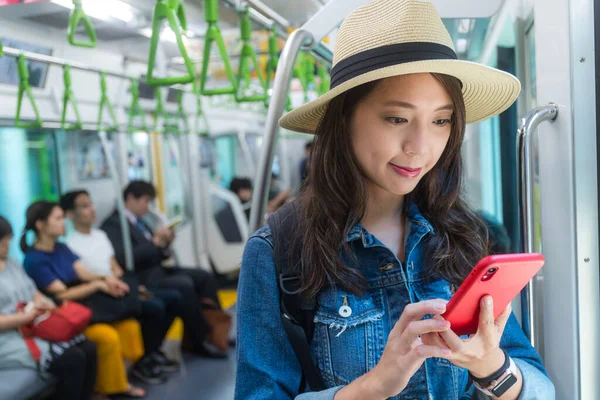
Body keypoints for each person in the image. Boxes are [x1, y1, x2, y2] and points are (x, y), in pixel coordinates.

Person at [235, 1, 555, 399]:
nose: (420, 147)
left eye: (441, 120)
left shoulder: (464, 235)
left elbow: (539, 386)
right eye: (397, 119)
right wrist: (372, 387)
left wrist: (491, 368)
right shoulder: (279, 252)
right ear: (344, 119)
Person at [20, 201, 150, 397]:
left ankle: (116, 381)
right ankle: (109, 389)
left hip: (87, 306)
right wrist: (97, 285)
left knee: (130, 328)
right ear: (41, 225)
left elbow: (83, 273)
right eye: (58, 218)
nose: (63, 222)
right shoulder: (34, 260)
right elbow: (61, 294)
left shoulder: (61, 248)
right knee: (107, 337)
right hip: (66, 313)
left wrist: (106, 279)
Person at [101, 180, 230, 358]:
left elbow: (155, 252)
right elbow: (124, 259)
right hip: (142, 277)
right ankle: (202, 338)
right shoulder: (113, 225)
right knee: (184, 285)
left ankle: (216, 329)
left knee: (204, 277)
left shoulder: (140, 222)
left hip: (157, 269)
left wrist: (164, 243)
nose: (147, 207)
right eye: (145, 201)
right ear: (130, 198)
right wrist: (154, 243)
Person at [61, 190, 182, 376]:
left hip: (118, 286)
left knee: (173, 299)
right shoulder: (70, 244)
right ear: (70, 214)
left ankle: (152, 350)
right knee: (154, 308)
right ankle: (143, 360)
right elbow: (85, 276)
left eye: (91, 204)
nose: (92, 209)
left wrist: (127, 285)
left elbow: (115, 266)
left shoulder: (100, 235)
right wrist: (111, 283)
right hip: (100, 294)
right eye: (85, 206)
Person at [0, 216, 97, 400]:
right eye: (2, 242)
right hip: (7, 340)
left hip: (30, 327)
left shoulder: (11, 263)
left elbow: (32, 291)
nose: (6, 246)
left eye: (7, 241)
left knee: (88, 347)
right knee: (72, 358)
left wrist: (44, 301)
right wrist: (25, 318)